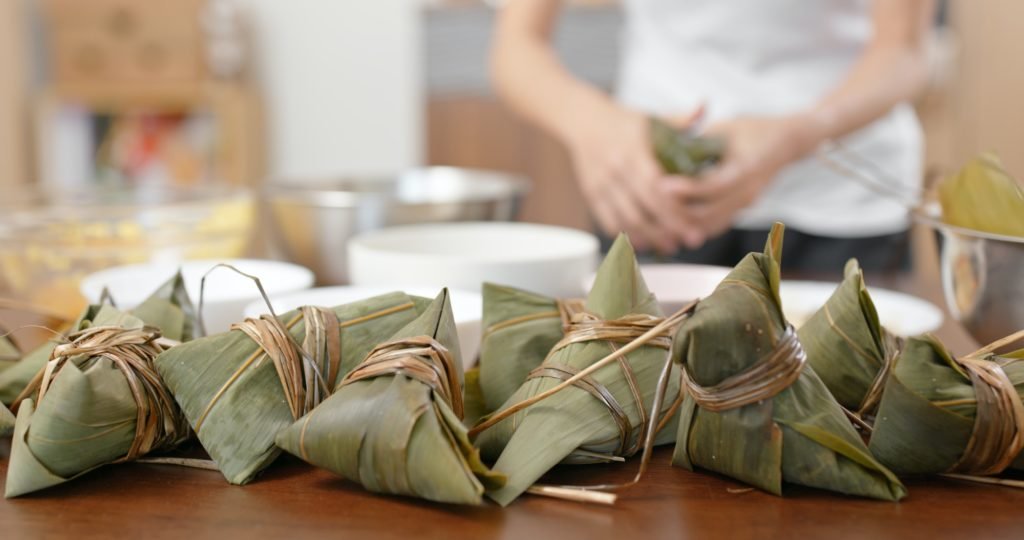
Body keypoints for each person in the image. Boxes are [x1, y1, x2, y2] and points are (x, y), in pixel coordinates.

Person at [491, 0, 935, 271]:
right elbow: (518, 47)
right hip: (654, 200)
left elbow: (904, 51)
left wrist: (794, 137)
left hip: (843, 205)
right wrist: (591, 123)